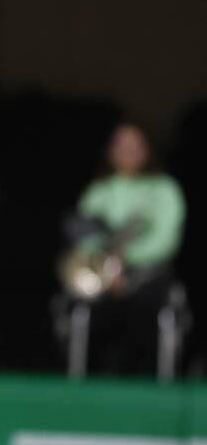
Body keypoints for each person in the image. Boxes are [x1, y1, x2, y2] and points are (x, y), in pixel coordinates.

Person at [73, 122, 186, 375]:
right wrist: (107, 270)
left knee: (143, 309)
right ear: (110, 151)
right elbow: (84, 237)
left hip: (148, 275)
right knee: (82, 306)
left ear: (147, 150)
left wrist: (127, 261)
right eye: (121, 146)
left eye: (134, 146)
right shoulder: (97, 191)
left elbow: (165, 240)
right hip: (102, 275)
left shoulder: (164, 189)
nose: (127, 152)